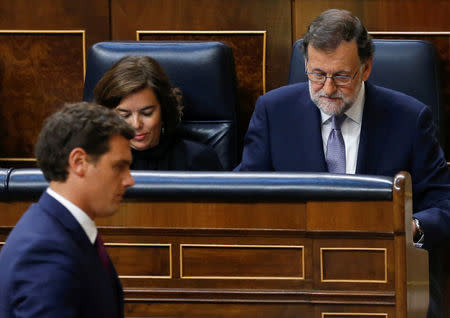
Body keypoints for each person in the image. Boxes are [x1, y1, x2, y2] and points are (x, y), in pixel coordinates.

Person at [236, 9, 450, 317]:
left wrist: (412, 226)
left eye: (341, 76)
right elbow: (245, 193)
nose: (327, 89)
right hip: (297, 274)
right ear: (306, 64)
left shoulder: (409, 118)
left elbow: (443, 202)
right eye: (317, 74)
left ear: (366, 68)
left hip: (384, 270)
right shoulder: (273, 112)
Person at [0, 102, 135, 317]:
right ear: (79, 162)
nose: (129, 180)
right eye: (119, 166)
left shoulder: (62, 230)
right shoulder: (44, 250)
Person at [94, 55, 223, 171]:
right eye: (124, 115)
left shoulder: (197, 159)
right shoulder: (95, 160)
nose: (136, 124)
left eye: (147, 113)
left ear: (164, 110)